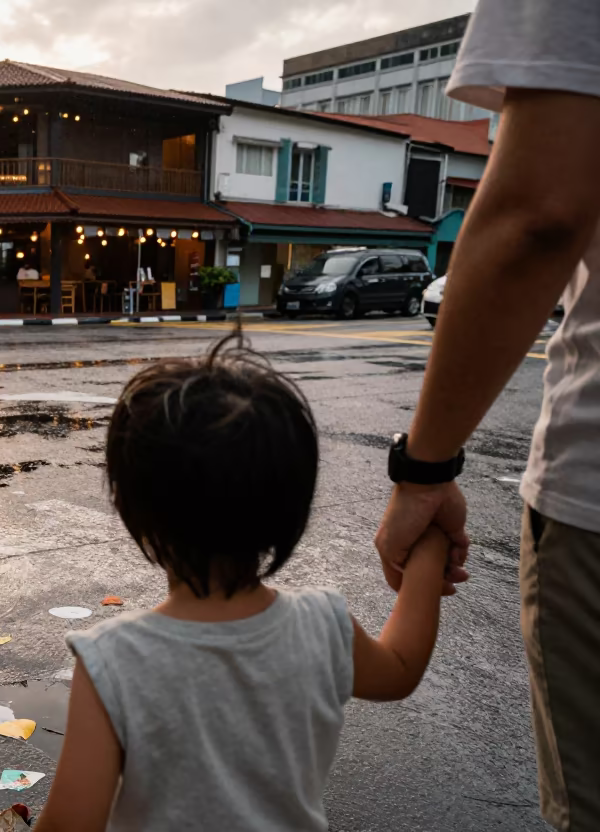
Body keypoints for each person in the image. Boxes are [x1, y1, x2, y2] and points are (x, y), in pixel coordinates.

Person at [35, 333, 450, 832]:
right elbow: (401, 668)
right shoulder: (323, 626)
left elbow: (70, 825)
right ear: (290, 510)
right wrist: (428, 548)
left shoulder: (113, 660)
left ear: (133, 510)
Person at [372, 3, 600, 828]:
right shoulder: (310, 629)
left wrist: (425, 475)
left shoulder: (109, 660)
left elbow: (539, 212)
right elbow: (396, 664)